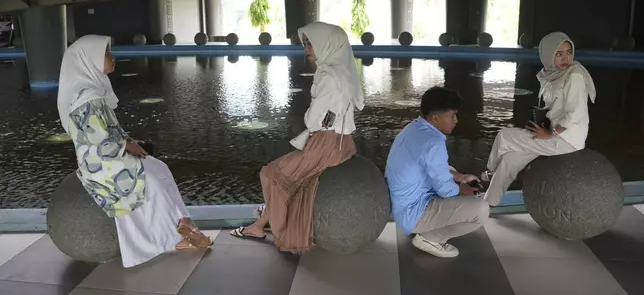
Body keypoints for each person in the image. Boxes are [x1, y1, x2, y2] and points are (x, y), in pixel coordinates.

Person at [57, 35, 212, 268]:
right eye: (107, 53)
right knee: (149, 181)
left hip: (111, 155)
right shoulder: (85, 99)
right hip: (100, 163)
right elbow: (98, 143)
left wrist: (128, 142)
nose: (113, 57)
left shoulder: (94, 92)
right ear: (89, 59)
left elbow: (110, 131)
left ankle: (183, 221)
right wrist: (127, 146)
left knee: (159, 167)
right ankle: (172, 236)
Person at [229, 22, 364, 253]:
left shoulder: (328, 75)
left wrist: (313, 117)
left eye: (310, 43)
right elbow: (354, 107)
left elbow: (312, 121)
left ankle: (280, 230)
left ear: (327, 44)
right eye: (305, 43)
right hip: (343, 143)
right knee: (285, 177)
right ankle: (259, 225)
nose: (306, 48)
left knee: (271, 174)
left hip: (324, 146)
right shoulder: (345, 73)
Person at [482, 32, 596, 206]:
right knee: (509, 160)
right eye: (559, 54)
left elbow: (575, 113)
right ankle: (490, 202)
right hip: (554, 134)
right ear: (548, 55)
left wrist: (550, 134)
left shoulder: (574, 75)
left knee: (504, 135)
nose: (565, 58)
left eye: (568, 52)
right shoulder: (551, 73)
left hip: (565, 139)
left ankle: (489, 172)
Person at [386, 86, 489, 258]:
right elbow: (445, 190)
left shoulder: (414, 128)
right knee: (481, 209)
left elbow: (435, 169)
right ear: (435, 118)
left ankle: (429, 228)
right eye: (452, 116)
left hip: (404, 203)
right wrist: (462, 190)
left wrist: (460, 177)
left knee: (452, 172)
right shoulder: (433, 143)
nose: (456, 120)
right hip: (413, 213)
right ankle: (430, 239)